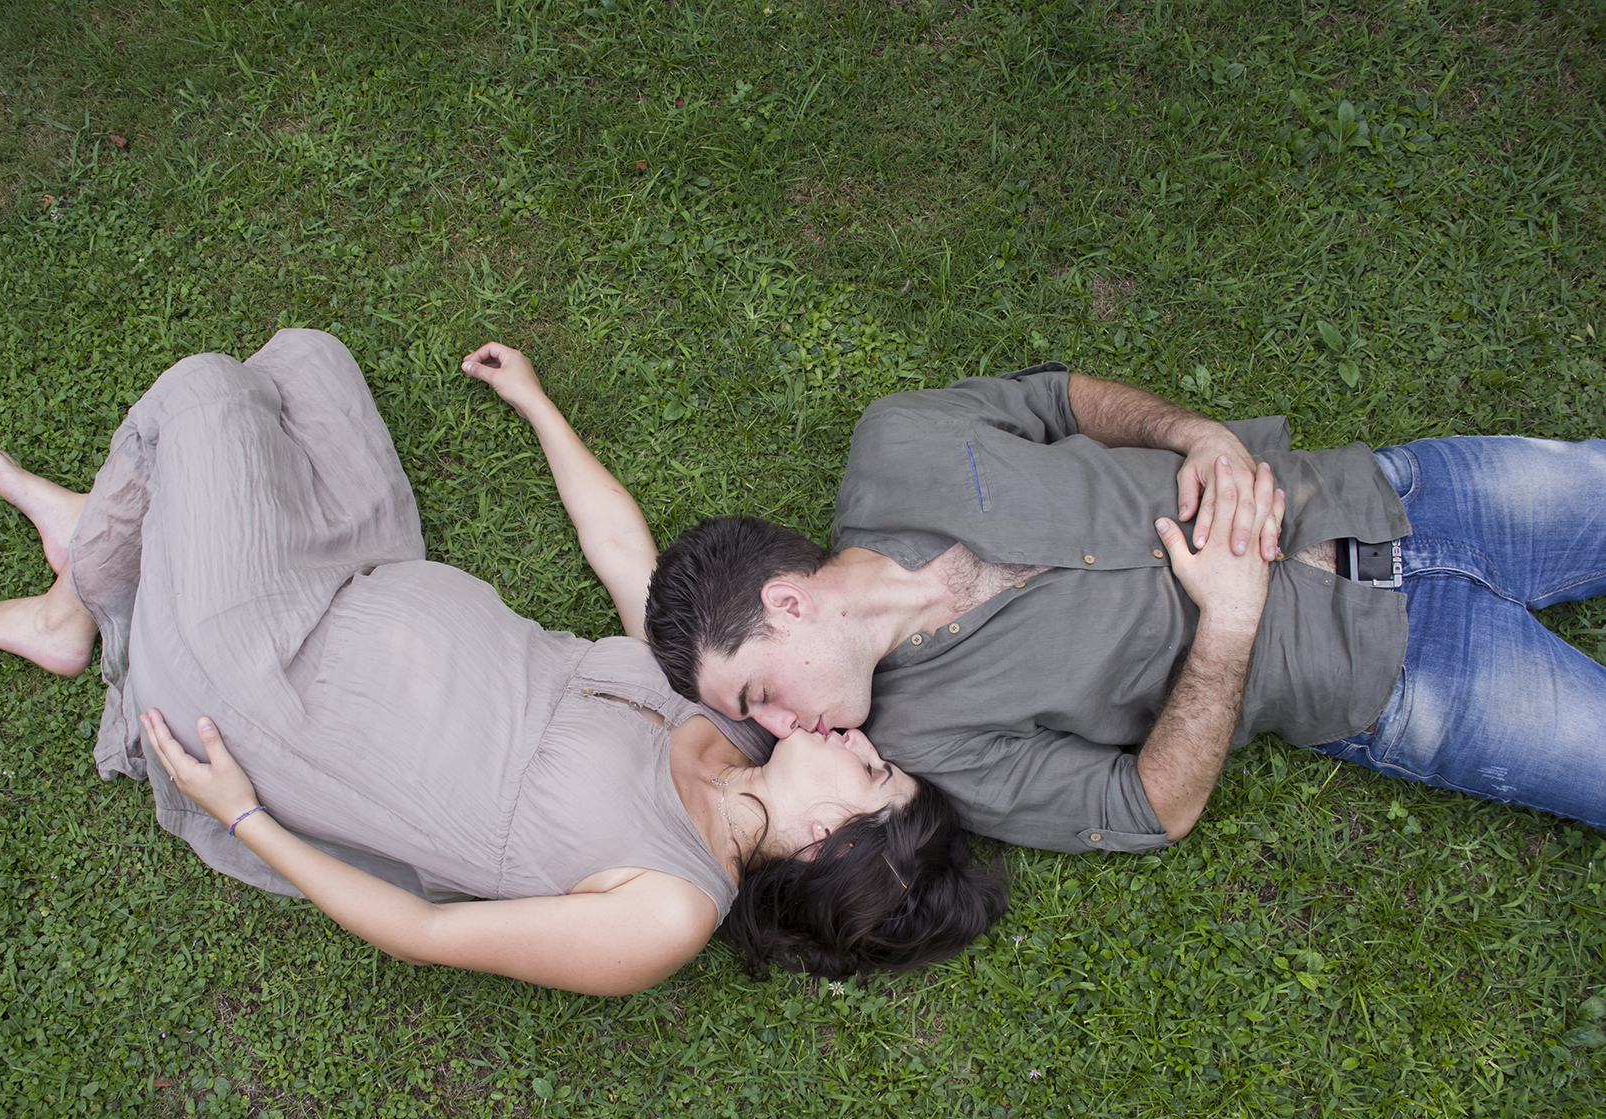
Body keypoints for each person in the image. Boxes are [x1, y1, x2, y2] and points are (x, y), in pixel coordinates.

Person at [0, 329, 1006, 995]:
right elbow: (624, 557)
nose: (859, 737)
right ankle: (117, 551)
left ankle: (75, 599)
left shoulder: (665, 912)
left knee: (206, 391)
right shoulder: (738, 722)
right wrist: (537, 404)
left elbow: (422, 930)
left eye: (869, 770)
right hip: (362, 574)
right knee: (304, 360)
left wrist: (241, 814)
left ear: (824, 842)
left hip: (269, 684)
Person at [644, 362, 1606, 853]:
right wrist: (1229, 623)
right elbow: (1149, 808)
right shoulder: (928, 751)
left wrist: (1198, 435)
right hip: (1399, 674)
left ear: (788, 601)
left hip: (1399, 493)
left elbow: (1058, 399)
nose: (777, 727)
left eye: (758, 691)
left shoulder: (897, 440)